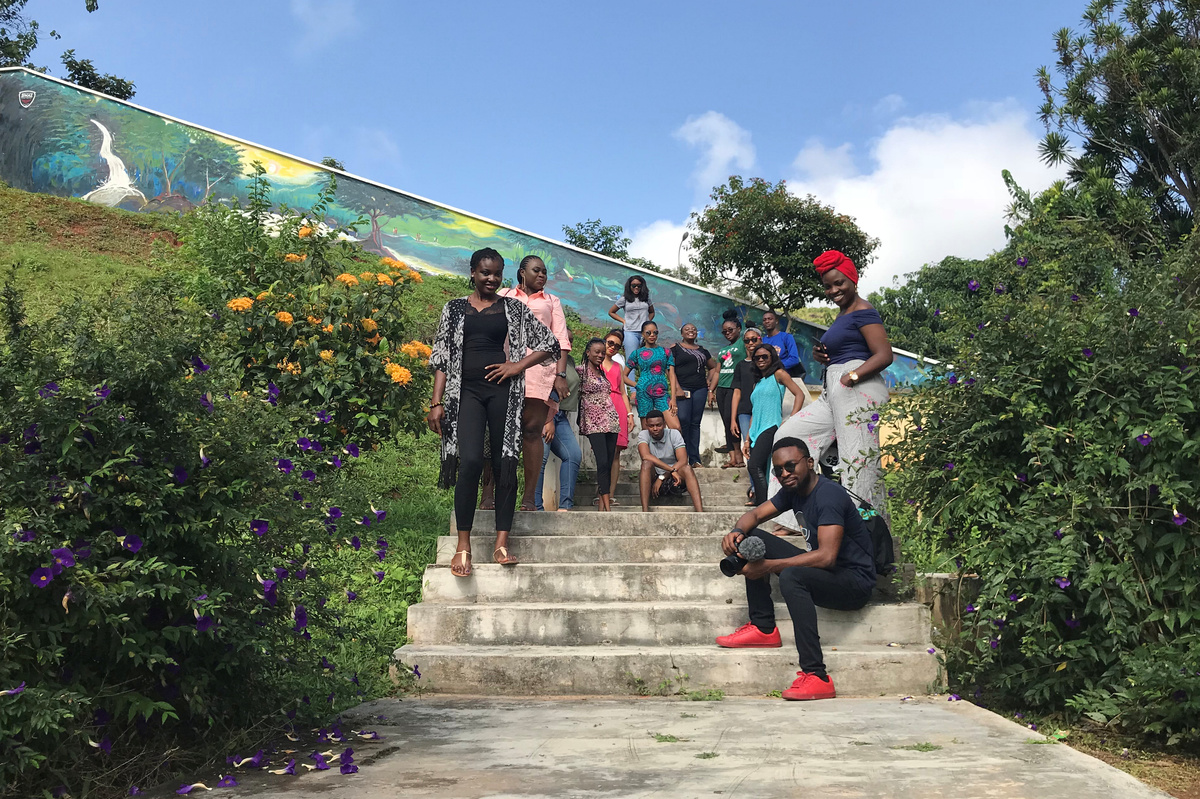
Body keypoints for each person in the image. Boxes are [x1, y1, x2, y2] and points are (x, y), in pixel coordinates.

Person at [427, 248, 560, 577]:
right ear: (473, 272)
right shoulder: (454, 308)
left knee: (505, 463)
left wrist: (516, 366)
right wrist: (436, 402)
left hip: (503, 393)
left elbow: (549, 343)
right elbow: (442, 357)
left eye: (497, 273)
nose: (491, 278)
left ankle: (501, 542)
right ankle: (464, 545)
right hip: (465, 393)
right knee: (471, 461)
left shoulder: (513, 308)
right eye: (485, 272)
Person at [716, 437, 877, 701]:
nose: (785, 474)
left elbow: (826, 557)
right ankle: (764, 628)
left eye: (790, 466)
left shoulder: (828, 495)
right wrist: (736, 531)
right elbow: (754, 515)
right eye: (778, 470)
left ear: (810, 462)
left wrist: (767, 567)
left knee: (791, 576)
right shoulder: (793, 491)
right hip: (827, 573)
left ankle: (817, 675)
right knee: (751, 536)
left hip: (853, 583)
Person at [770, 250, 893, 529]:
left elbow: (884, 354)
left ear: (853, 280)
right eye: (828, 286)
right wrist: (823, 356)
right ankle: (796, 518)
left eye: (839, 283)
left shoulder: (864, 311)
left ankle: (866, 528)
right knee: (788, 437)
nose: (834, 290)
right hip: (833, 390)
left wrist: (852, 376)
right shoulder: (842, 315)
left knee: (857, 458)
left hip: (856, 388)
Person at [491, 255, 573, 512]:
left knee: (531, 431)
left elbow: (560, 340)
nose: (542, 275)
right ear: (522, 272)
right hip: (503, 370)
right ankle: (488, 495)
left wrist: (560, 375)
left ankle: (528, 498)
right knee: (496, 432)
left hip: (539, 372)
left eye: (545, 272)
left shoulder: (552, 301)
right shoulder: (503, 295)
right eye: (536, 270)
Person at [742, 344, 805, 506]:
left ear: (772, 357)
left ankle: (762, 504)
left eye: (765, 356)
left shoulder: (779, 374)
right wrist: (747, 439)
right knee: (762, 468)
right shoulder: (757, 383)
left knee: (754, 466)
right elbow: (755, 412)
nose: (761, 360)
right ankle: (763, 501)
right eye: (757, 357)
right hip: (755, 431)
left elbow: (799, 394)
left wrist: (791, 419)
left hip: (770, 427)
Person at [576, 338, 621, 512]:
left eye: (603, 352)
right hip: (593, 423)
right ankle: (607, 508)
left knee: (608, 463)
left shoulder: (602, 372)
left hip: (611, 421)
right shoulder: (580, 371)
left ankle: (603, 506)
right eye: (597, 352)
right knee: (602, 462)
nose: (601, 355)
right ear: (588, 352)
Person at [535, 349, 582, 512]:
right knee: (540, 457)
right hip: (543, 412)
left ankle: (565, 506)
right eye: (567, 339)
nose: (569, 343)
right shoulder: (546, 357)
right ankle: (535, 507)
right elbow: (542, 385)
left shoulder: (569, 361)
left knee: (573, 455)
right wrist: (548, 419)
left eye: (571, 340)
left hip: (561, 415)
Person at [670, 323, 718, 468]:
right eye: (687, 329)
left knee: (695, 424)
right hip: (683, 388)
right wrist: (677, 388)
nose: (691, 331)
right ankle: (682, 458)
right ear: (681, 333)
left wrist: (709, 381)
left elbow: (713, 367)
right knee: (683, 421)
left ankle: (695, 459)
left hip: (700, 389)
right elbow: (670, 370)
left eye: (693, 329)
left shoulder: (703, 351)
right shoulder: (675, 349)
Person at [637, 410, 703, 512]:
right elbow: (645, 456)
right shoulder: (643, 434)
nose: (655, 429)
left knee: (687, 468)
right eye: (651, 426)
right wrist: (670, 470)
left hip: (675, 475)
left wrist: (664, 475)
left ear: (664, 424)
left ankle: (700, 512)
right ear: (646, 426)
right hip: (656, 474)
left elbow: (683, 460)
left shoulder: (674, 434)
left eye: (658, 425)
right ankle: (645, 512)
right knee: (646, 464)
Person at [624, 320, 680, 430]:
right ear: (642, 334)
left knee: (676, 427)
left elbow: (672, 375)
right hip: (643, 393)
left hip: (662, 392)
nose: (652, 335)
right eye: (648, 333)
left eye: (655, 332)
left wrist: (673, 398)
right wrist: (636, 385)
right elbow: (623, 376)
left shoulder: (666, 352)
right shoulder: (637, 353)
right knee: (647, 430)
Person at [730, 327, 762, 504]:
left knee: (763, 448)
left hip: (763, 412)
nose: (750, 343)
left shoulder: (765, 363)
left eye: (754, 339)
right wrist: (733, 419)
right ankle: (755, 490)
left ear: (760, 339)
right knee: (749, 448)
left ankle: (765, 489)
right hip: (745, 412)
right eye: (747, 340)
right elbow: (737, 392)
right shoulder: (741, 366)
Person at [602, 329, 635, 505]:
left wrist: (630, 414)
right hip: (600, 408)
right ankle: (601, 492)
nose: (613, 347)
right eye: (610, 343)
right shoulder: (595, 363)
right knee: (602, 451)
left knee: (615, 453)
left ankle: (610, 494)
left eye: (617, 346)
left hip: (618, 406)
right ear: (604, 342)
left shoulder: (618, 367)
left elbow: (623, 392)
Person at [714, 310, 746, 469]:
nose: (727, 333)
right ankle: (733, 458)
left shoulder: (743, 343)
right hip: (721, 388)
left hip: (735, 387)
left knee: (731, 420)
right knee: (726, 422)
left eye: (730, 330)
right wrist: (711, 390)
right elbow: (717, 371)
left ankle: (739, 457)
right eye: (724, 331)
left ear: (739, 329)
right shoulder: (722, 350)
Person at [608, 275, 655, 357]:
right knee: (631, 357)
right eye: (633, 285)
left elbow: (652, 312)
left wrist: (647, 322)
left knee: (646, 357)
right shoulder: (624, 299)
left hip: (645, 332)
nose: (636, 287)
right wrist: (623, 321)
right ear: (629, 286)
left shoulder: (646, 299)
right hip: (630, 331)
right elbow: (611, 312)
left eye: (639, 286)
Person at [761, 310, 805, 381]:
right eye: (764, 320)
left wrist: (776, 367)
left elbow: (794, 359)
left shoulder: (786, 337)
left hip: (784, 378)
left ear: (776, 321)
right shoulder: (762, 341)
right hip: (767, 379)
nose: (767, 321)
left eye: (770, 319)